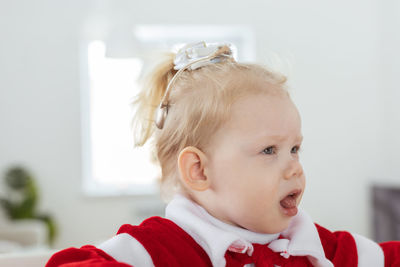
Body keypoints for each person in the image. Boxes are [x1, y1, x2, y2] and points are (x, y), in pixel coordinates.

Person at [46, 42, 400, 267]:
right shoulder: (162, 246)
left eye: (294, 148)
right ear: (199, 170)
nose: (294, 167)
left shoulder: (310, 243)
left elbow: (386, 258)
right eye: (269, 150)